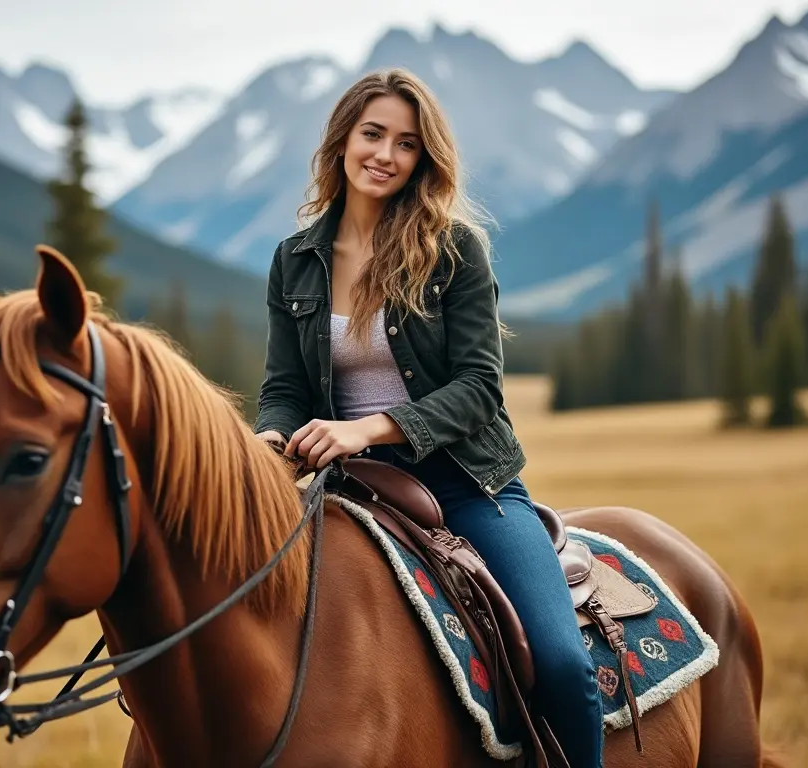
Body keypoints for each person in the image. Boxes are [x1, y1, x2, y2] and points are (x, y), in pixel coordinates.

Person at [252, 68, 603, 768]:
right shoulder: (294, 261)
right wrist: (269, 436)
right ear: (342, 141)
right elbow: (285, 386)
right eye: (373, 134)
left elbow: (480, 387)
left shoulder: (453, 250)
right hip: (345, 494)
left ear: (423, 159)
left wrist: (366, 429)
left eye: (406, 144)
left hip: (465, 486)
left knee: (563, 666)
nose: (385, 154)